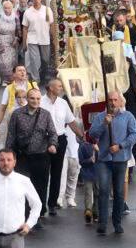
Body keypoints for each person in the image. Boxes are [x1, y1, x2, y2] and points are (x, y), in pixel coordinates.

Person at [88, 91, 136, 236]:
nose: (112, 102)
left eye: (115, 100)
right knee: (103, 191)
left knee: (118, 192)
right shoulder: (100, 117)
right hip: (104, 160)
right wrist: (104, 124)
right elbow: (92, 134)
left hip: (120, 159)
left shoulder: (128, 116)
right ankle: (103, 224)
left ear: (120, 102)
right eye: (110, 100)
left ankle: (117, 222)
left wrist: (121, 145)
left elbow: (135, 134)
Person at [0, 148, 42, 248]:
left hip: (16, 237)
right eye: (2, 160)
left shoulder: (24, 181)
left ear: (14, 162)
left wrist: (29, 224)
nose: (5, 163)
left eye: (9, 160)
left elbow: (37, 204)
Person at [5, 88, 58, 208]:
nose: (35, 101)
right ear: (27, 99)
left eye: (38, 98)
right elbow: (11, 135)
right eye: (32, 98)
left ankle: (39, 212)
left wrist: (52, 144)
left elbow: (53, 133)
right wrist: (8, 156)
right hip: (22, 156)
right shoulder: (17, 114)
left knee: (40, 185)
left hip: (41, 156)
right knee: (22, 185)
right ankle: (24, 212)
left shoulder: (45, 115)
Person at [41, 78, 84, 216]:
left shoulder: (63, 103)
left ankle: (52, 203)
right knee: (42, 173)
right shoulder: (40, 101)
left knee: (57, 173)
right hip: (43, 139)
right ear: (50, 88)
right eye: (59, 86)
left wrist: (82, 136)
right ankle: (40, 206)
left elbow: (71, 122)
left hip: (60, 139)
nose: (61, 88)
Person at [0, 65, 37, 140]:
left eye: (24, 70)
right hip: (14, 119)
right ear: (14, 74)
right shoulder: (9, 88)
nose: (22, 72)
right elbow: (2, 109)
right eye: (19, 70)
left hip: (31, 119)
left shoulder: (33, 86)